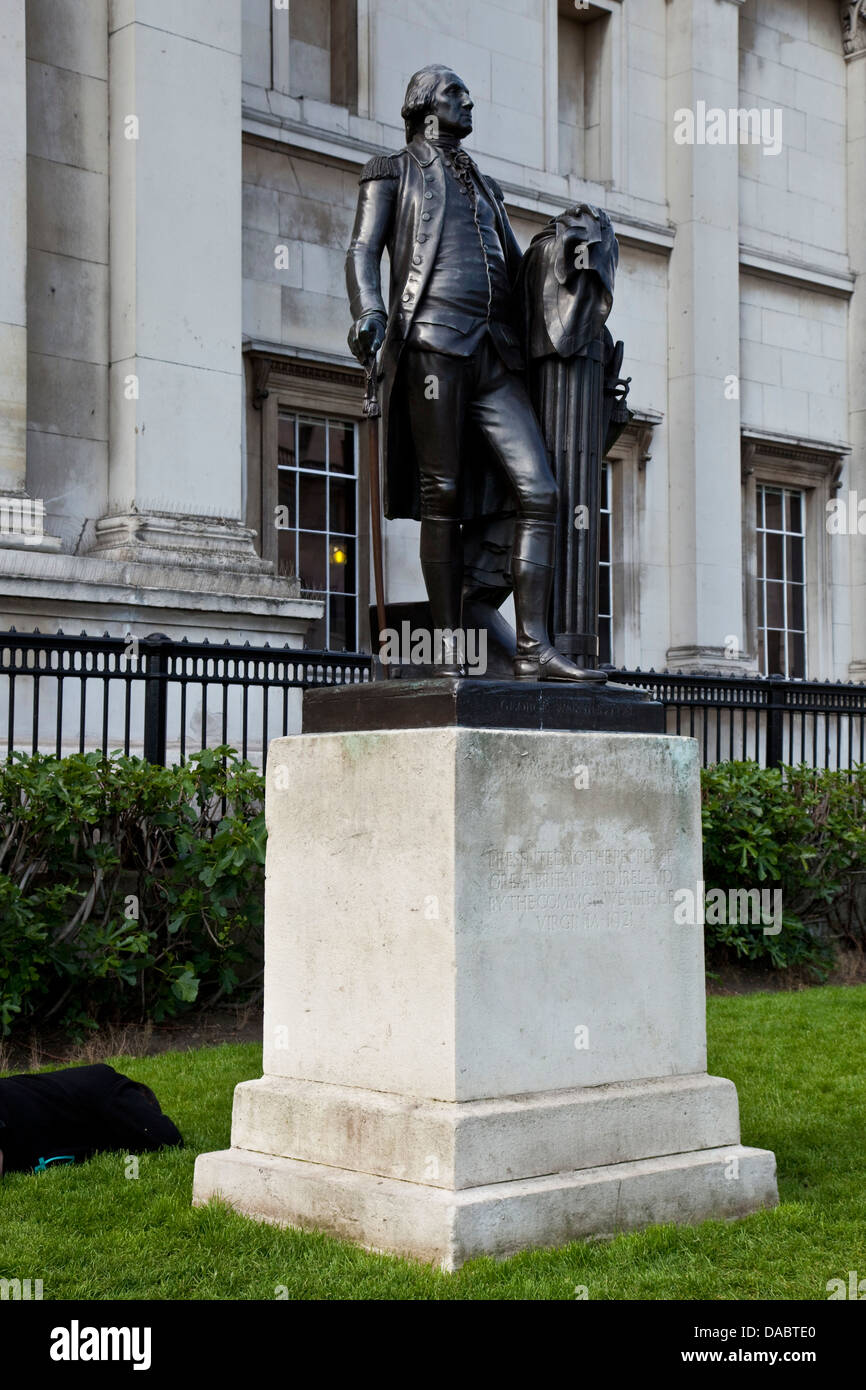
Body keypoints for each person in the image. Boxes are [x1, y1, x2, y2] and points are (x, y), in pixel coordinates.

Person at [346, 63, 605, 682]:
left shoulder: (486, 187)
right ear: (427, 107)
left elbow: (519, 273)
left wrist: (564, 255)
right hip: (433, 344)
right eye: (457, 94)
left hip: (494, 352)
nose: (470, 101)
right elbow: (362, 249)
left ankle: (534, 647)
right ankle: (444, 649)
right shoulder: (392, 171)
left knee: (539, 490)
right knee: (445, 495)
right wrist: (370, 312)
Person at [0, 1062, 182, 1176]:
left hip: (97, 1094)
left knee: (165, 1138)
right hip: (87, 1096)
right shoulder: (104, 1086)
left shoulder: (106, 1093)